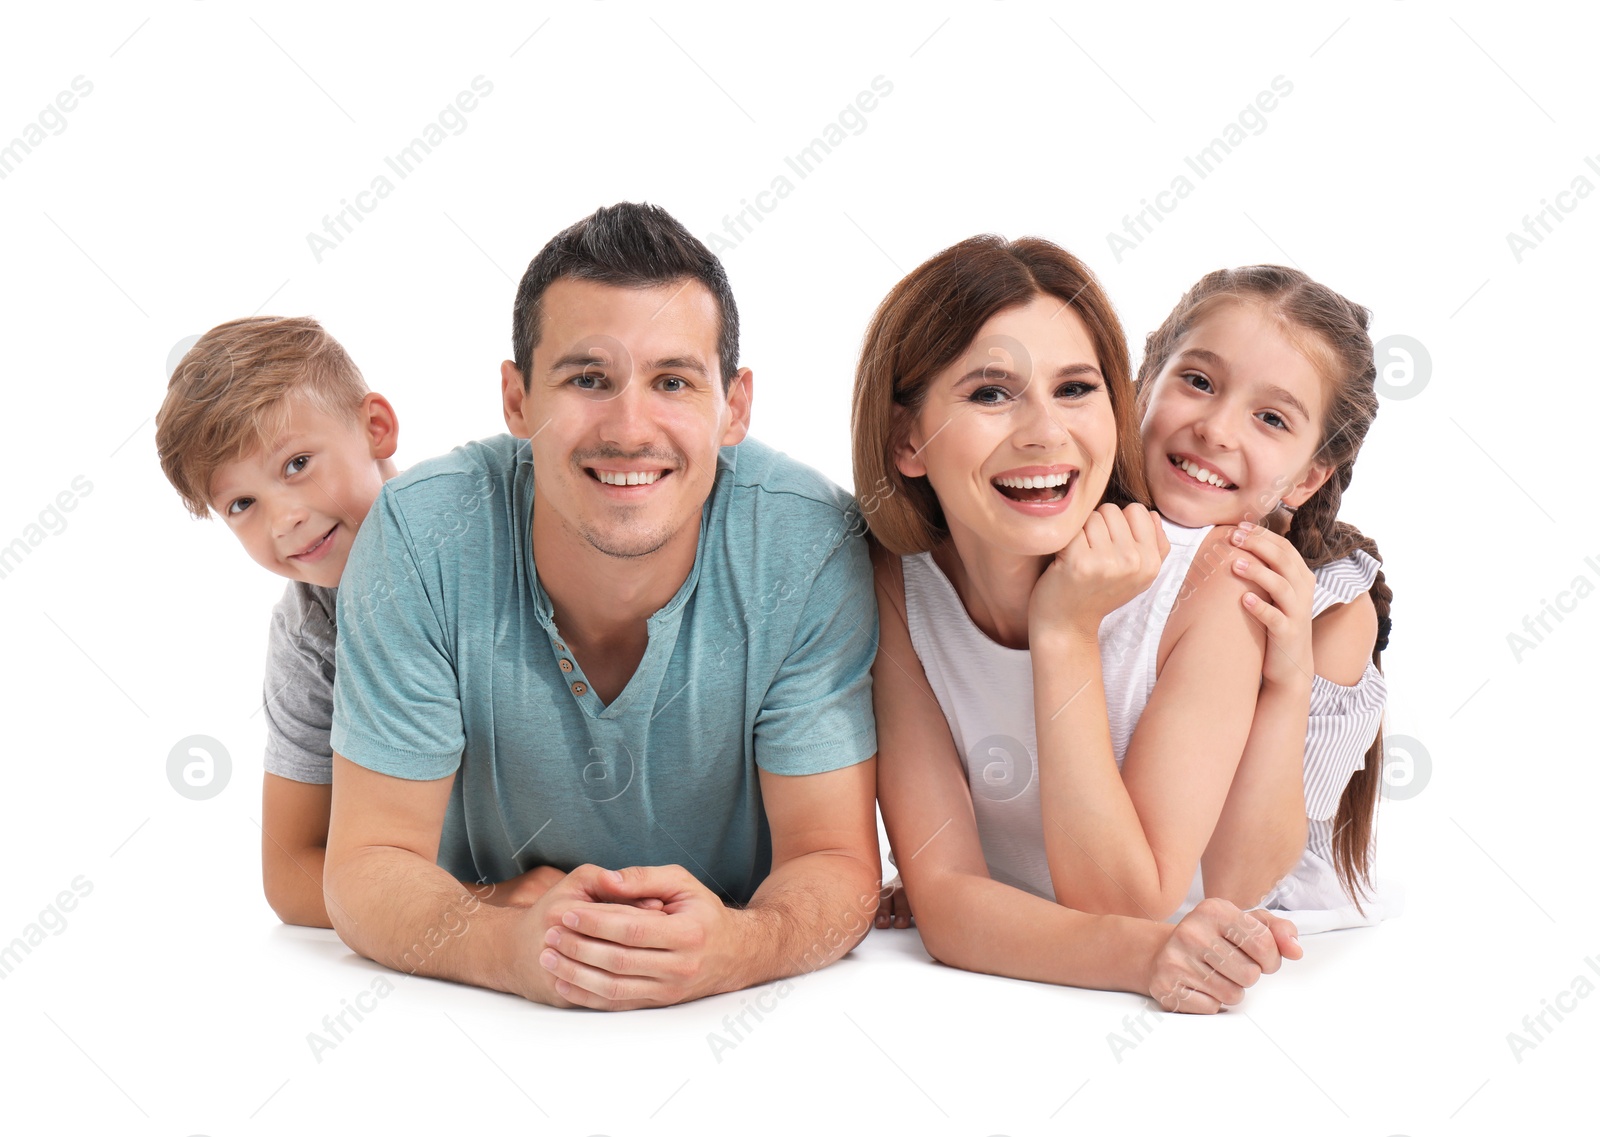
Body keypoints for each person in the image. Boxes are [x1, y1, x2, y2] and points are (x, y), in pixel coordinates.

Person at [323, 202, 882, 1010]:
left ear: (735, 406)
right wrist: (513, 947)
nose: (629, 428)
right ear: (516, 400)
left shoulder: (809, 543)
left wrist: (739, 948)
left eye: (673, 381)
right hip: (468, 1012)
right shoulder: (419, 533)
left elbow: (835, 862)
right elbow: (366, 866)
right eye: (588, 379)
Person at [855, 235, 1302, 1013]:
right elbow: (952, 904)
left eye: (1075, 389)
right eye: (991, 394)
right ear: (906, 440)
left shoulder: (1213, 584)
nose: (1044, 433)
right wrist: (1148, 955)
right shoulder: (894, 585)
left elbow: (1125, 899)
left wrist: (1063, 632)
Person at [1132, 266, 1392, 934]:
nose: (1216, 429)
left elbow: (1238, 881)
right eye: (1197, 381)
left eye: (1270, 418)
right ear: (1144, 385)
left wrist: (1287, 679)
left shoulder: (1332, 611)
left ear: (1307, 475)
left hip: (1238, 907)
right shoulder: (1077, 533)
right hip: (1093, 885)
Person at [155, 316, 404, 927]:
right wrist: (471, 905)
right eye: (241, 504)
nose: (285, 519)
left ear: (375, 428)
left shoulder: (491, 528)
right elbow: (291, 873)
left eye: (296, 464)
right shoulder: (309, 639)